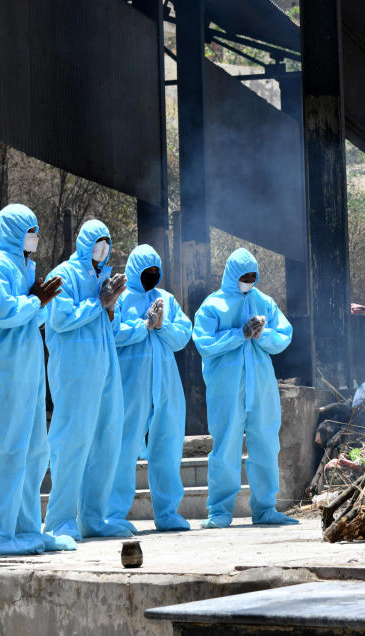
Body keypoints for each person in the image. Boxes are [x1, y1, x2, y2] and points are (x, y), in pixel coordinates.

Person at [0, 204, 76, 555]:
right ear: (13, 232)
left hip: (27, 372)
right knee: (5, 451)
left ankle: (27, 529)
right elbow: (0, 311)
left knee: (33, 452)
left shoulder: (26, 268)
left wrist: (40, 302)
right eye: (30, 230)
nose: (35, 238)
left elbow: (33, 317)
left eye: (36, 230)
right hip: (2, 373)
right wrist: (33, 300)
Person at [192, 248, 296, 528]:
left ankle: (265, 508)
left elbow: (284, 335)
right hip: (227, 388)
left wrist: (262, 334)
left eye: (253, 276)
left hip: (260, 386)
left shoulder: (265, 302)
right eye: (244, 276)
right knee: (226, 445)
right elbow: (204, 343)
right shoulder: (213, 305)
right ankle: (220, 510)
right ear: (231, 274)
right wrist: (240, 335)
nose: (249, 280)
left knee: (265, 442)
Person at [43, 220, 132, 540]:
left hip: (105, 368)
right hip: (75, 370)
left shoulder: (104, 276)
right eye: (97, 241)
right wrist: (100, 303)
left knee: (107, 440)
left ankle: (93, 517)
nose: (103, 247)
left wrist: (110, 308)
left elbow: (115, 324)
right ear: (84, 242)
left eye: (107, 241)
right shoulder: (63, 274)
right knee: (72, 441)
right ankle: (59, 520)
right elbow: (60, 318)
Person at [107, 244, 192, 532]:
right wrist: (143, 325)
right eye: (147, 272)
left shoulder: (166, 299)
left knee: (167, 445)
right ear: (134, 271)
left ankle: (167, 513)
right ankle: (114, 513)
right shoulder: (120, 299)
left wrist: (160, 326)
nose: (152, 277)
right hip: (131, 383)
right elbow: (113, 334)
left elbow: (182, 335)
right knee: (123, 446)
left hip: (165, 382)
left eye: (156, 272)